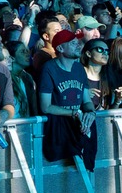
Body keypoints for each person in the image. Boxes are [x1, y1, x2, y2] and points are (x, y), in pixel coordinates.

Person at [38, 31, 96, 171]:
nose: (78, 46)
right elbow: (46, 107)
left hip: (78, 121)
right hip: (60, 126)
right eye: (73, 43)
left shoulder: (79, 68)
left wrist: (91, 113)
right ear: (60, 49)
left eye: (77, 42)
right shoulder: (49, 68)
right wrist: (73, 112)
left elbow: (86, 100)